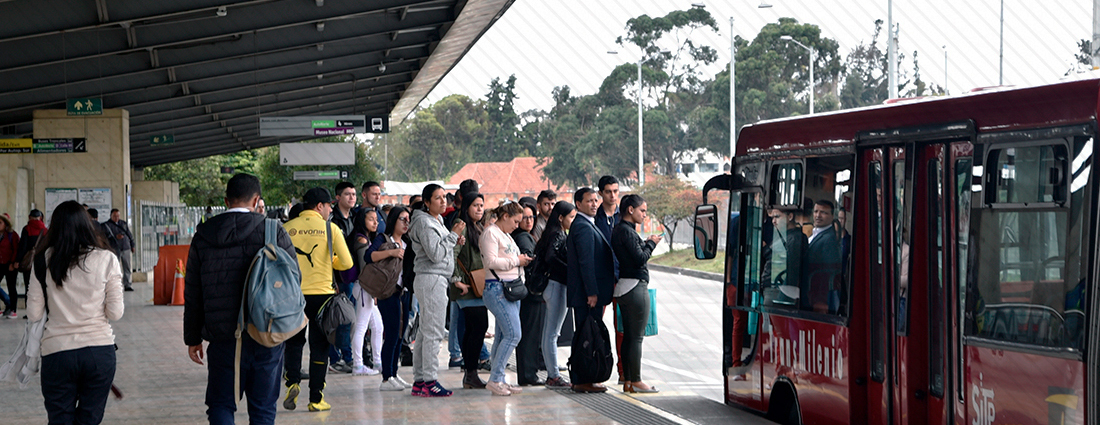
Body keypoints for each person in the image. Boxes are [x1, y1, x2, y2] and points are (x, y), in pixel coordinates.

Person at [184, 173, 297, 424]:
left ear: (226, 201)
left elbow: (193, 291)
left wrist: (192, 338)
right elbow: (293, 280)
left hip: (222, 338)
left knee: (221, 404)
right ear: (257, 200)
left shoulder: (203, 235)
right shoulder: (273, 230)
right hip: (267, 334)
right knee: (263, 408)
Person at [27, 200, 124, 425]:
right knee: (89, 419)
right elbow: (116, 312)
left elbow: (33, 313)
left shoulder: (42, 259)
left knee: (60, 419)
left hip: (57, 352)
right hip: (99, 352)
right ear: (88, 225)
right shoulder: (106, 258)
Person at [282, 187, 353, 412]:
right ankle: (316, 399)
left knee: (293, 342)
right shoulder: (330, 229)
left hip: (293, 295)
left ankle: (292, 382)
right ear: (319, 206)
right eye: (329, 206)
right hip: (322, 297)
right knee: (319, 346)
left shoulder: (285, 229)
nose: (330, 210)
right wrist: (331, 261)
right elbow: (348, 264)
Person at [407, 184, 465, 397]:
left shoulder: (436, 220)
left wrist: (453, 240)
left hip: (435, 278)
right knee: (433, 332)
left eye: (444, 197)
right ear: (427, 202)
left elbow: (442, 248)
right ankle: (430, 380)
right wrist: (452, 235)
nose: (443, 202)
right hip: (431, 279)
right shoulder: (424, 222)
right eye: (437, 198)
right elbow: (435, 254)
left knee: (425, 331)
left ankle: (420, 380)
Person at [566, 187, 617, 393]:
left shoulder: (587, 224)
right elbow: (586, 263)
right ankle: (582, 378)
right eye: (589, 201)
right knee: (587, 336)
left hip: (587, 293)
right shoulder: (582, 227)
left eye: (596, 200)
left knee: (587, 334)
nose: (594, 204)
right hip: (587, 295)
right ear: (578, 204)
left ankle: (585, 377)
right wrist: (592, 293)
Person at [480, 202, 533, 396]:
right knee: (514, 334)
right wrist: (516, 261)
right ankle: (495, 378)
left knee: (503, 335)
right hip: (497, 288)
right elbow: (491, 261)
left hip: (511, 288)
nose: (518, 225)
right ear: (504, 216)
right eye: (516, 220)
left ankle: (499, 378)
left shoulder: (506, 235)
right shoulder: (490, 234)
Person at [610, 194, 661, 393]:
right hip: (634, 286)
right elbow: (640, 258)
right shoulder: (626, 231)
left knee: (629, 336)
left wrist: (645, 242)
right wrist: (651, 244)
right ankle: (637, 380)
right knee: (635, 337)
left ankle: (629, 381)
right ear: (630, 210)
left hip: (624, 286)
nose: (644, 215)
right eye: (642, 211)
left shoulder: (620, 230)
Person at [448, 192, 490, 389]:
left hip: (477, 285)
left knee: (473, 329)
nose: (479, 209)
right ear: (466, 207)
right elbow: (452, 253)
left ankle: (470, 373)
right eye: (475, 205)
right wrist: (457, 281)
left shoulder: (477, 226)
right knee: (479, 326)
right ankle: (471, 372)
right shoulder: (461, 225)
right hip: (466, 286)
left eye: (481, 205)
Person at [533, 201, 576, 389]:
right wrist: (569, 271)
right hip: (557, 285)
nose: (573, 221)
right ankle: (553, 375)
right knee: (552, 332)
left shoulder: (551, 233)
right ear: (561, 218)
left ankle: (552, 373)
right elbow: (551, 257)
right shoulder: (558, 234)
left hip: (552, 285)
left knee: (550, 331)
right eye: (571, 217)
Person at [374, 207, 414, 391]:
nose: (406, 223)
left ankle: (394, 373)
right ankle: (386, 377)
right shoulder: (383, 239)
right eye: (402, 219)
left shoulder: (408, 242)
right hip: (388, 292)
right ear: (393, 221)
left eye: (408, 219)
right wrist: (391, 252)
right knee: (390, 335)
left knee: (400, 335)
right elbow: (370, 256)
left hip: (404, 292)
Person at [349, 206, 390, 376]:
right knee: (361, 327)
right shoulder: (362, 241)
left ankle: (378, 362)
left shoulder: (365, 239)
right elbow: (366, 268)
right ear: (362, 221)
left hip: (365, 288)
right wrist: (373, 291)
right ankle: (358, 365)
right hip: (365, 287)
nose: (376, 222)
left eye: (376, 219)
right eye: (371, 219)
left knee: (377, 326)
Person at [593, 176, 624, 381]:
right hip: (600, 278)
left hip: (622, 277)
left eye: (615, 191)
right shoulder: (594, 218)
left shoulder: (625, 215)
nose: (612, 195)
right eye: (608, 191)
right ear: (601, 194)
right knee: (594, 325)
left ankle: (624, 372)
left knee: (621, 327)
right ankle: (594, 368)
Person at [512, 202, 545, 386]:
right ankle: (529, 374)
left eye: (532, 217)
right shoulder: (524, 237)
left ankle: (527, 373)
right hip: (531, 292)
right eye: (524, 217)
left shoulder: (521, 235)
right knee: (531, 334)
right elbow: (529, 259)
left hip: (525, 291)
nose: (529, 221)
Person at [328, 181, 359, 373]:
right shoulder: (332, 221)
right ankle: (338, 357)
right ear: (338, 197)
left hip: (353, 274)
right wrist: (333, 279)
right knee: (340, 318)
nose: (352, 198)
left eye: (354, 194)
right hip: (339, 277)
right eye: (348, 194)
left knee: (351, 318)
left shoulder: (356, 218)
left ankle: (347, 355)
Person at [803, 200, 841, 313]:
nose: (818, 215)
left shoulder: (829, 239)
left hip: (816, 297)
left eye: (823, 212)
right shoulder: (816, 233)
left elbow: (826, 273)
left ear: (832, 216)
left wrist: (821, 300)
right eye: (815, 211)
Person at [17, 209, 47, 315]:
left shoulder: (27, 229)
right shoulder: (45, 230)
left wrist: (18, 260)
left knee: (29, 287)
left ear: (29, 217)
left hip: (29, 263)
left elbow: (22, 247)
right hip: (42, 262)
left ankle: (30, 312)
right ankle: (43, 311)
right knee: (42, 286)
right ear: (40, 218)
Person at [104, 209, 135, 292]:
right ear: (111, 216)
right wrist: (115, 236)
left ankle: (128, 284)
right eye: (114, 216)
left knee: (127, 267)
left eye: (118, 216)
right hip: (114, 249)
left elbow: (129, 234)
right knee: (115, 267)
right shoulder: (107, 225)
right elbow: (105, 237)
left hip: (125, 247)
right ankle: (115, 285)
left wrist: (132, 245)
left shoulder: (123, 223)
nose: (116, 218)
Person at [0, 214, 19, 317]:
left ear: (5, 224)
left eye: (0, 223)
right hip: (0, 263)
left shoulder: (12, 235)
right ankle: (4, 306)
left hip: (9, 264)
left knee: (11, 286)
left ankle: (13, 309)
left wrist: (13, 262)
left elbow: (16, 249)